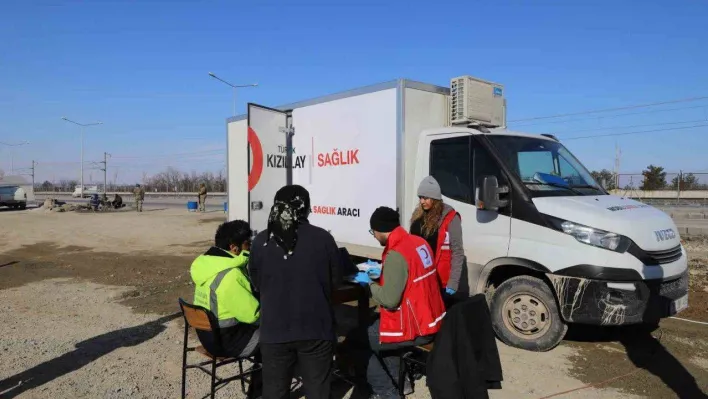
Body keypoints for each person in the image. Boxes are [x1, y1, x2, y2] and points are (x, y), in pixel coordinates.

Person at [249, 185, 342, 399]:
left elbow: (257, 282)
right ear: (307, 209)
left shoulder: (261, 241)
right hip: (316, 328)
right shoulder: (323, 239)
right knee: (318, 390)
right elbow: (335, 282)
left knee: (274, 391)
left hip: (274, 330)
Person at [348, 206, 446, 399]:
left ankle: (387, 393)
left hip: (415, 327)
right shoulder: (418, 242)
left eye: (373, 232)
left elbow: (390, 301)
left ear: (380, 230)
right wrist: (384, 275)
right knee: (380, 335)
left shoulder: (396, 254)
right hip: (432, 318)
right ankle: (401, 382)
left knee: (357, 340)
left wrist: (369, 285)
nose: (374, 237)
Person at [190, 219, 261, 362]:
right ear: (234, 248)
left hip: (209, 337)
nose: (250, 247)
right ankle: (266, 382)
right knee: (282, 334)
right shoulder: (230, 275)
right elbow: (253, 316)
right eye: (248, 243)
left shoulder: (208, 266)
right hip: (229, 342)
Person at [410, 176, 466, 300]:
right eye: (420, 198)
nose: (422, 201)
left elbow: (457, 252)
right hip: (419, 275)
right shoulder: (417, 215)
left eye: (426, 198)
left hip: (440, 279)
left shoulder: (451, 218)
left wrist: (453, 281)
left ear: (435, 198)